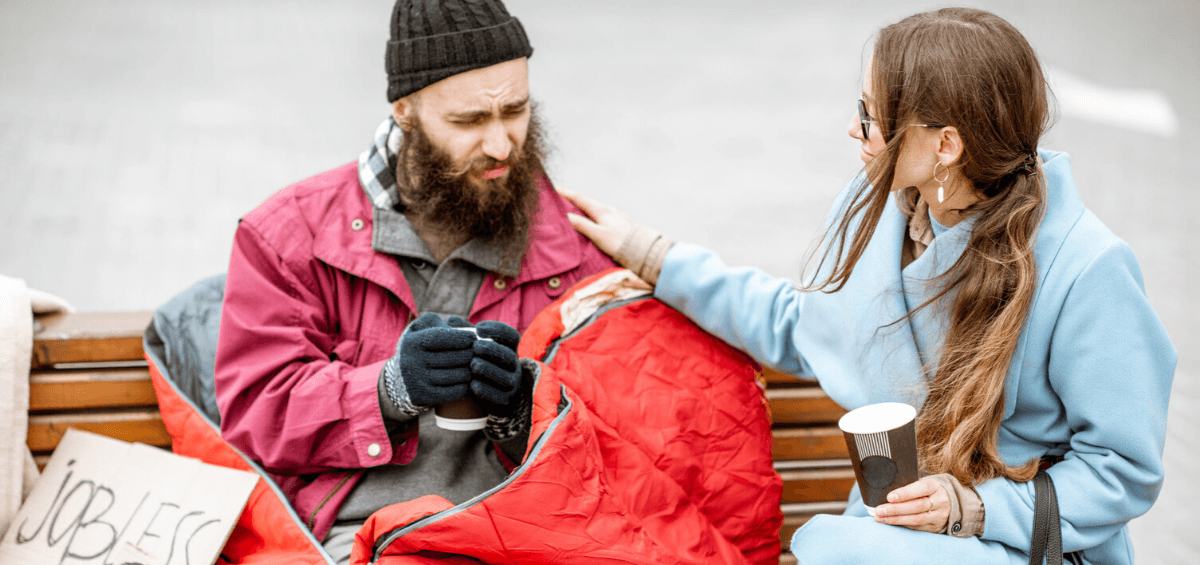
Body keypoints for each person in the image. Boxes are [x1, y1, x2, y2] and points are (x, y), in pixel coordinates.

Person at [564, 7, 1175, 565]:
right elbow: (800, 326)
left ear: (946, 146)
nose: (853, 130)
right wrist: (655, 256)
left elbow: (1122, 470)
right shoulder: (878, 207)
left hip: (1014, 548)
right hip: (885, 536)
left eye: (870, 116)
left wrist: (975, 508)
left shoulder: (1088, 268)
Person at [212, 0, 615, 562]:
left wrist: (525, 412)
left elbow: (621, 437)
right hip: (362, 537)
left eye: (515, 111)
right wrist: (389, 389)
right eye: (469, 120)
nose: (501, 145)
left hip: (527, 533)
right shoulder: (287, 235)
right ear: (404, 110)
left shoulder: (577, 245)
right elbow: (258, 411)